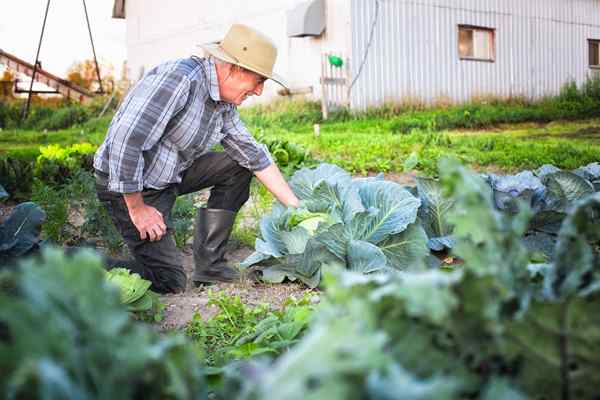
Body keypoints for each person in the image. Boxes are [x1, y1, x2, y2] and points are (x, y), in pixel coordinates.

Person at [94, 24, 300, 294]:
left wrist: (298, 209)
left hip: (168, 176)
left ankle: (210, 267)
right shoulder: (179, 80)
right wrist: (137, 208)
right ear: (235, 68)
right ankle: (79, 264)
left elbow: (252, 154)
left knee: (237, 165)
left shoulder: (223, 102)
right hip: (128, 186)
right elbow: (126, 140)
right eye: (259, 80)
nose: (260, 91)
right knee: (168, 281)